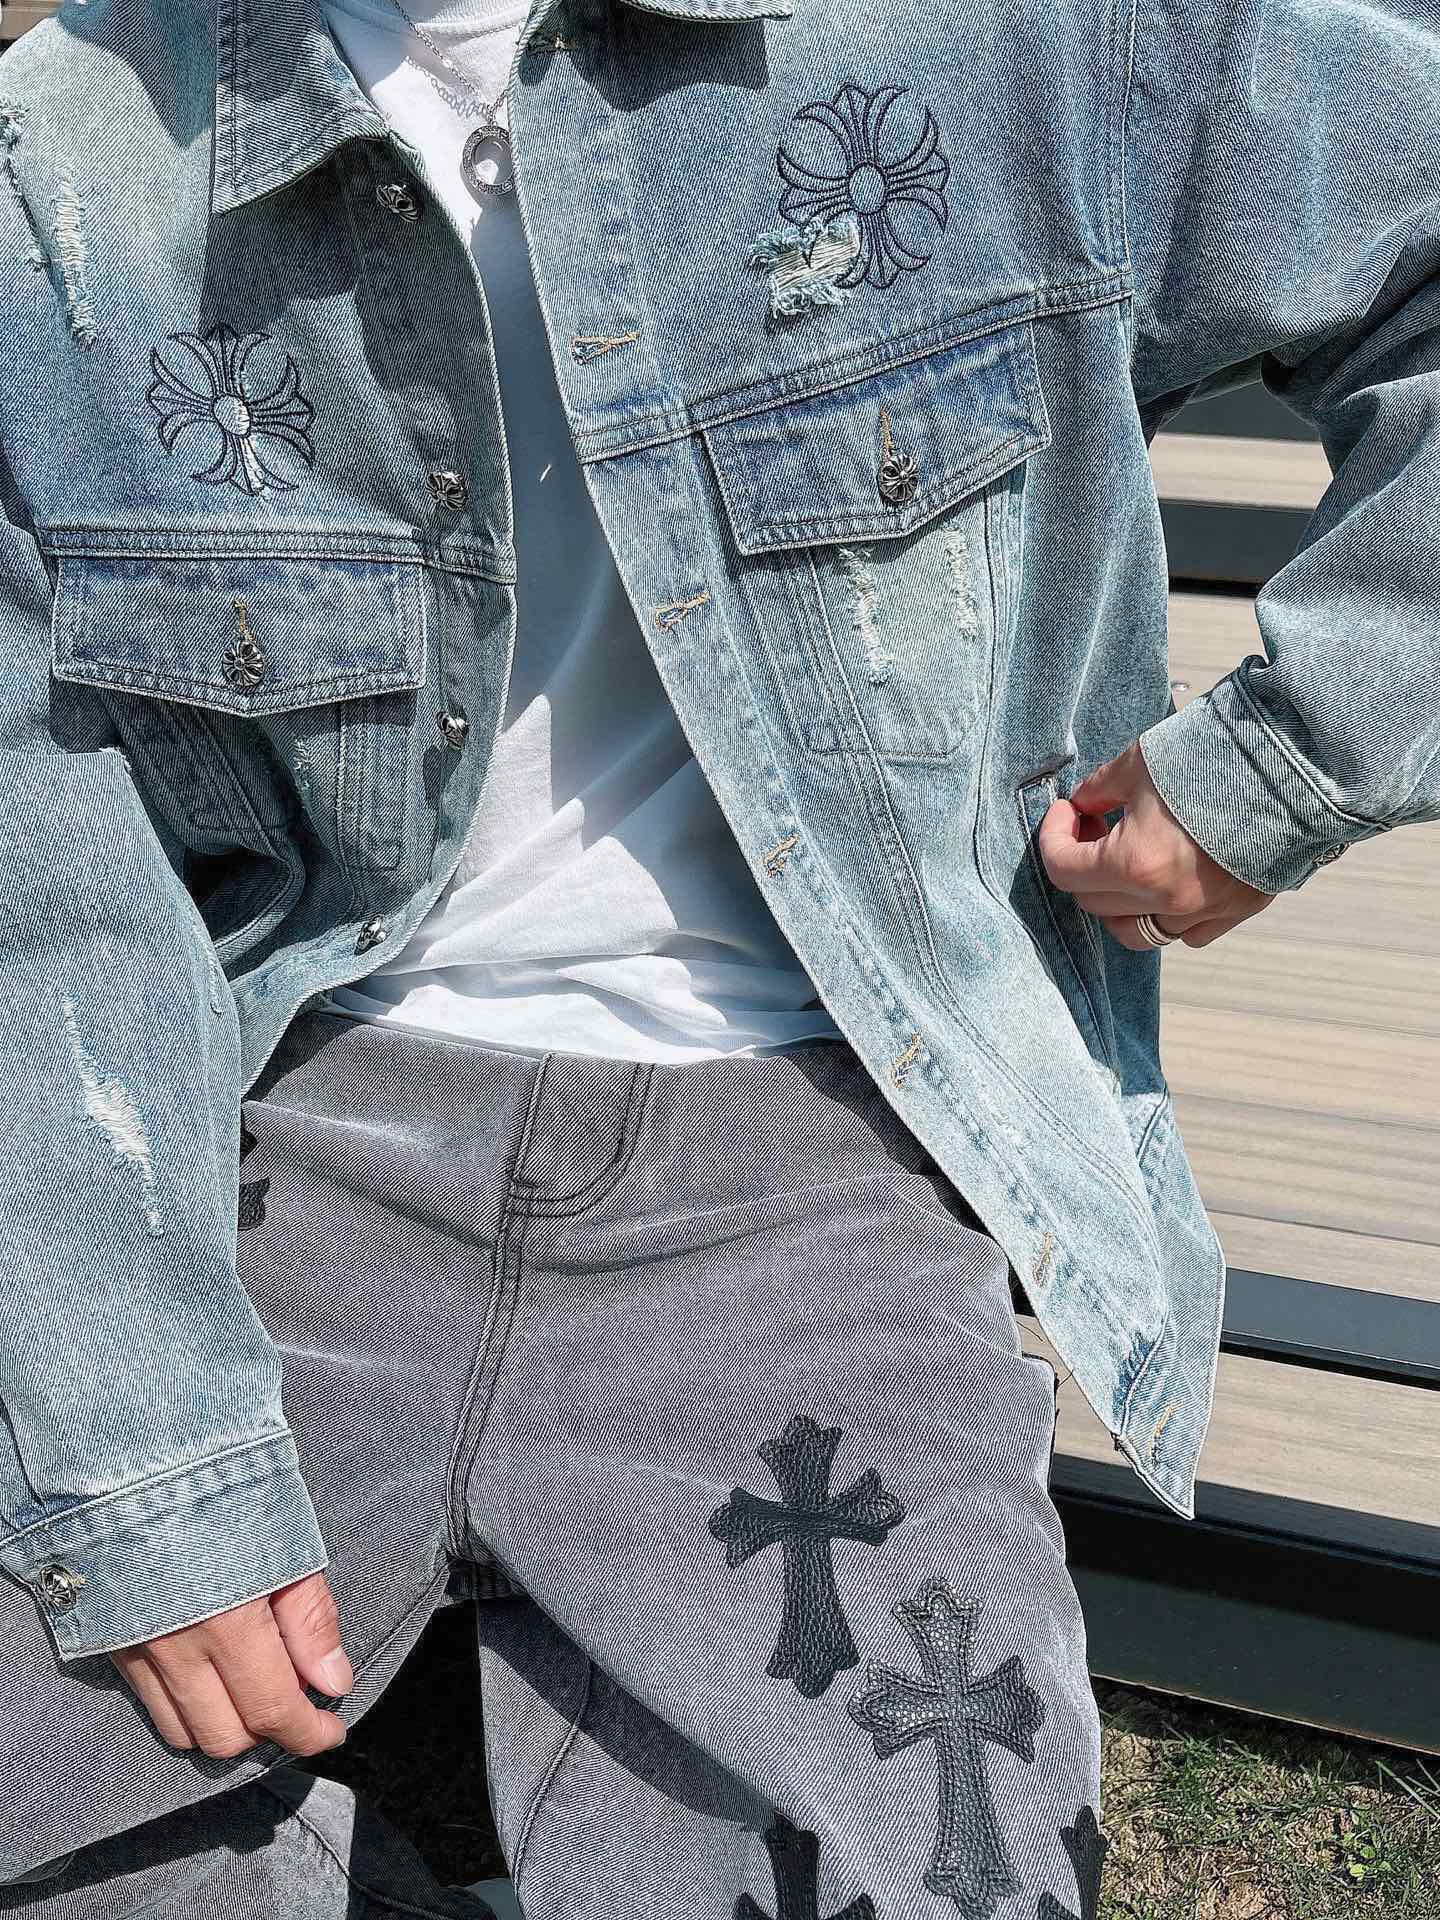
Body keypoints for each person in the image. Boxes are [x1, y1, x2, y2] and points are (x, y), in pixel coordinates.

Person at [1, 0, 1435, 1912]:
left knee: (938, 1863)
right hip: (277, 1139)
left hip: (807, 1158)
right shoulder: (64, 170)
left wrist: (1280, 768)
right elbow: (36, 855)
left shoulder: (1011, 38)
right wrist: (144, 1455)